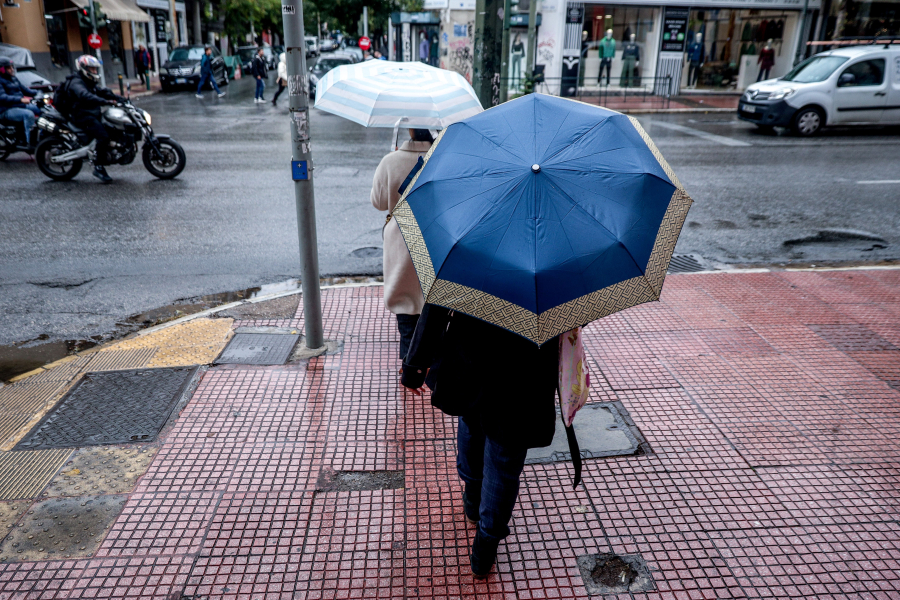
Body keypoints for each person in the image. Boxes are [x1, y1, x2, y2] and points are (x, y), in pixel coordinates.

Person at [401, 305, 559, 578]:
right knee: (505, 456)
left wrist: (415, 362)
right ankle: (485, 546)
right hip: (528, 365)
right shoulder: (561, 262)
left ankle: (473, 498)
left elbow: (439, 301)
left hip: (472, 350)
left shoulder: (470, 260)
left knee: (472, 420)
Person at [370, 128, 433, 359]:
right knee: (433, 313)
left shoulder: (391, 160)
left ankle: (409, 369)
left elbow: (378, 202)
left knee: (406, 311)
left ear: (410, 130)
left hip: (401, 239)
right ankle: (433, 373)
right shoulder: (443, 156)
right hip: (436, 237)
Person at [57, 55, 125, 183]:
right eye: (92, 69)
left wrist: (119, 98)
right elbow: (85, 95)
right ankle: (98, 166)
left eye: (95, 69)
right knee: (103, 136)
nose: (94, 71)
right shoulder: (76, 82)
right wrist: (105, 101)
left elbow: (100, 91)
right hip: (81, 116)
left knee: (112, 128)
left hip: (91, 113)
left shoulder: (88, 81)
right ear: (84, 68)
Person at [0, 57, 41, 150]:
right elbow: (2, 97)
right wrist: (20, 99)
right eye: (9, 68)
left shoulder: (13, 79)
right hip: (6, 109)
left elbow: (26, 90)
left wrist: (39, 93)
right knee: (29, 114)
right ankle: (30, 142)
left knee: (42, 110)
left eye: (12, 67)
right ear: (2, 69)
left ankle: (42, 137)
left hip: (19, 106)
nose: (12, 70)